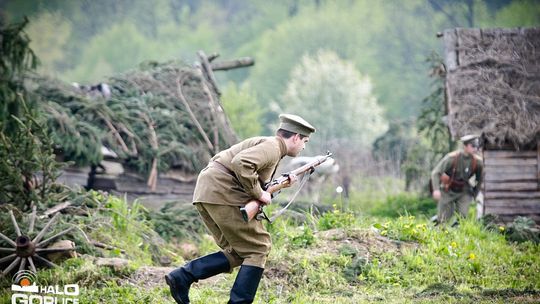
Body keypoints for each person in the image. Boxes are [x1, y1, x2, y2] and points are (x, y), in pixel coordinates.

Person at [166, 114, 315, 304]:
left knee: (239, 251)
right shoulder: (272, 147)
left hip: (209, 192)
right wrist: (260, 195)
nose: (304, 147)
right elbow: (241, 163)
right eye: (305, 141)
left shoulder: (269, 145)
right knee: (259, 248)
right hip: (223, 193)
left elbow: (253, 178)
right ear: (295, 137)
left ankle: (182, 277)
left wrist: (279, 186)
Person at [431, 134, 484, 226]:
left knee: (462, 217)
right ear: (465, 146)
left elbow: (480, 179)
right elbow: (436, 173)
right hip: (449, 189)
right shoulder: (451, 158)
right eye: (472, 146)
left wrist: (475, 193)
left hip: (464, 190)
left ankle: (457, 231)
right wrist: (436, 190)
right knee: (443, 218)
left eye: (477, 146)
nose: (475, 149)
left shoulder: (478, 162)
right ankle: (438, 224)